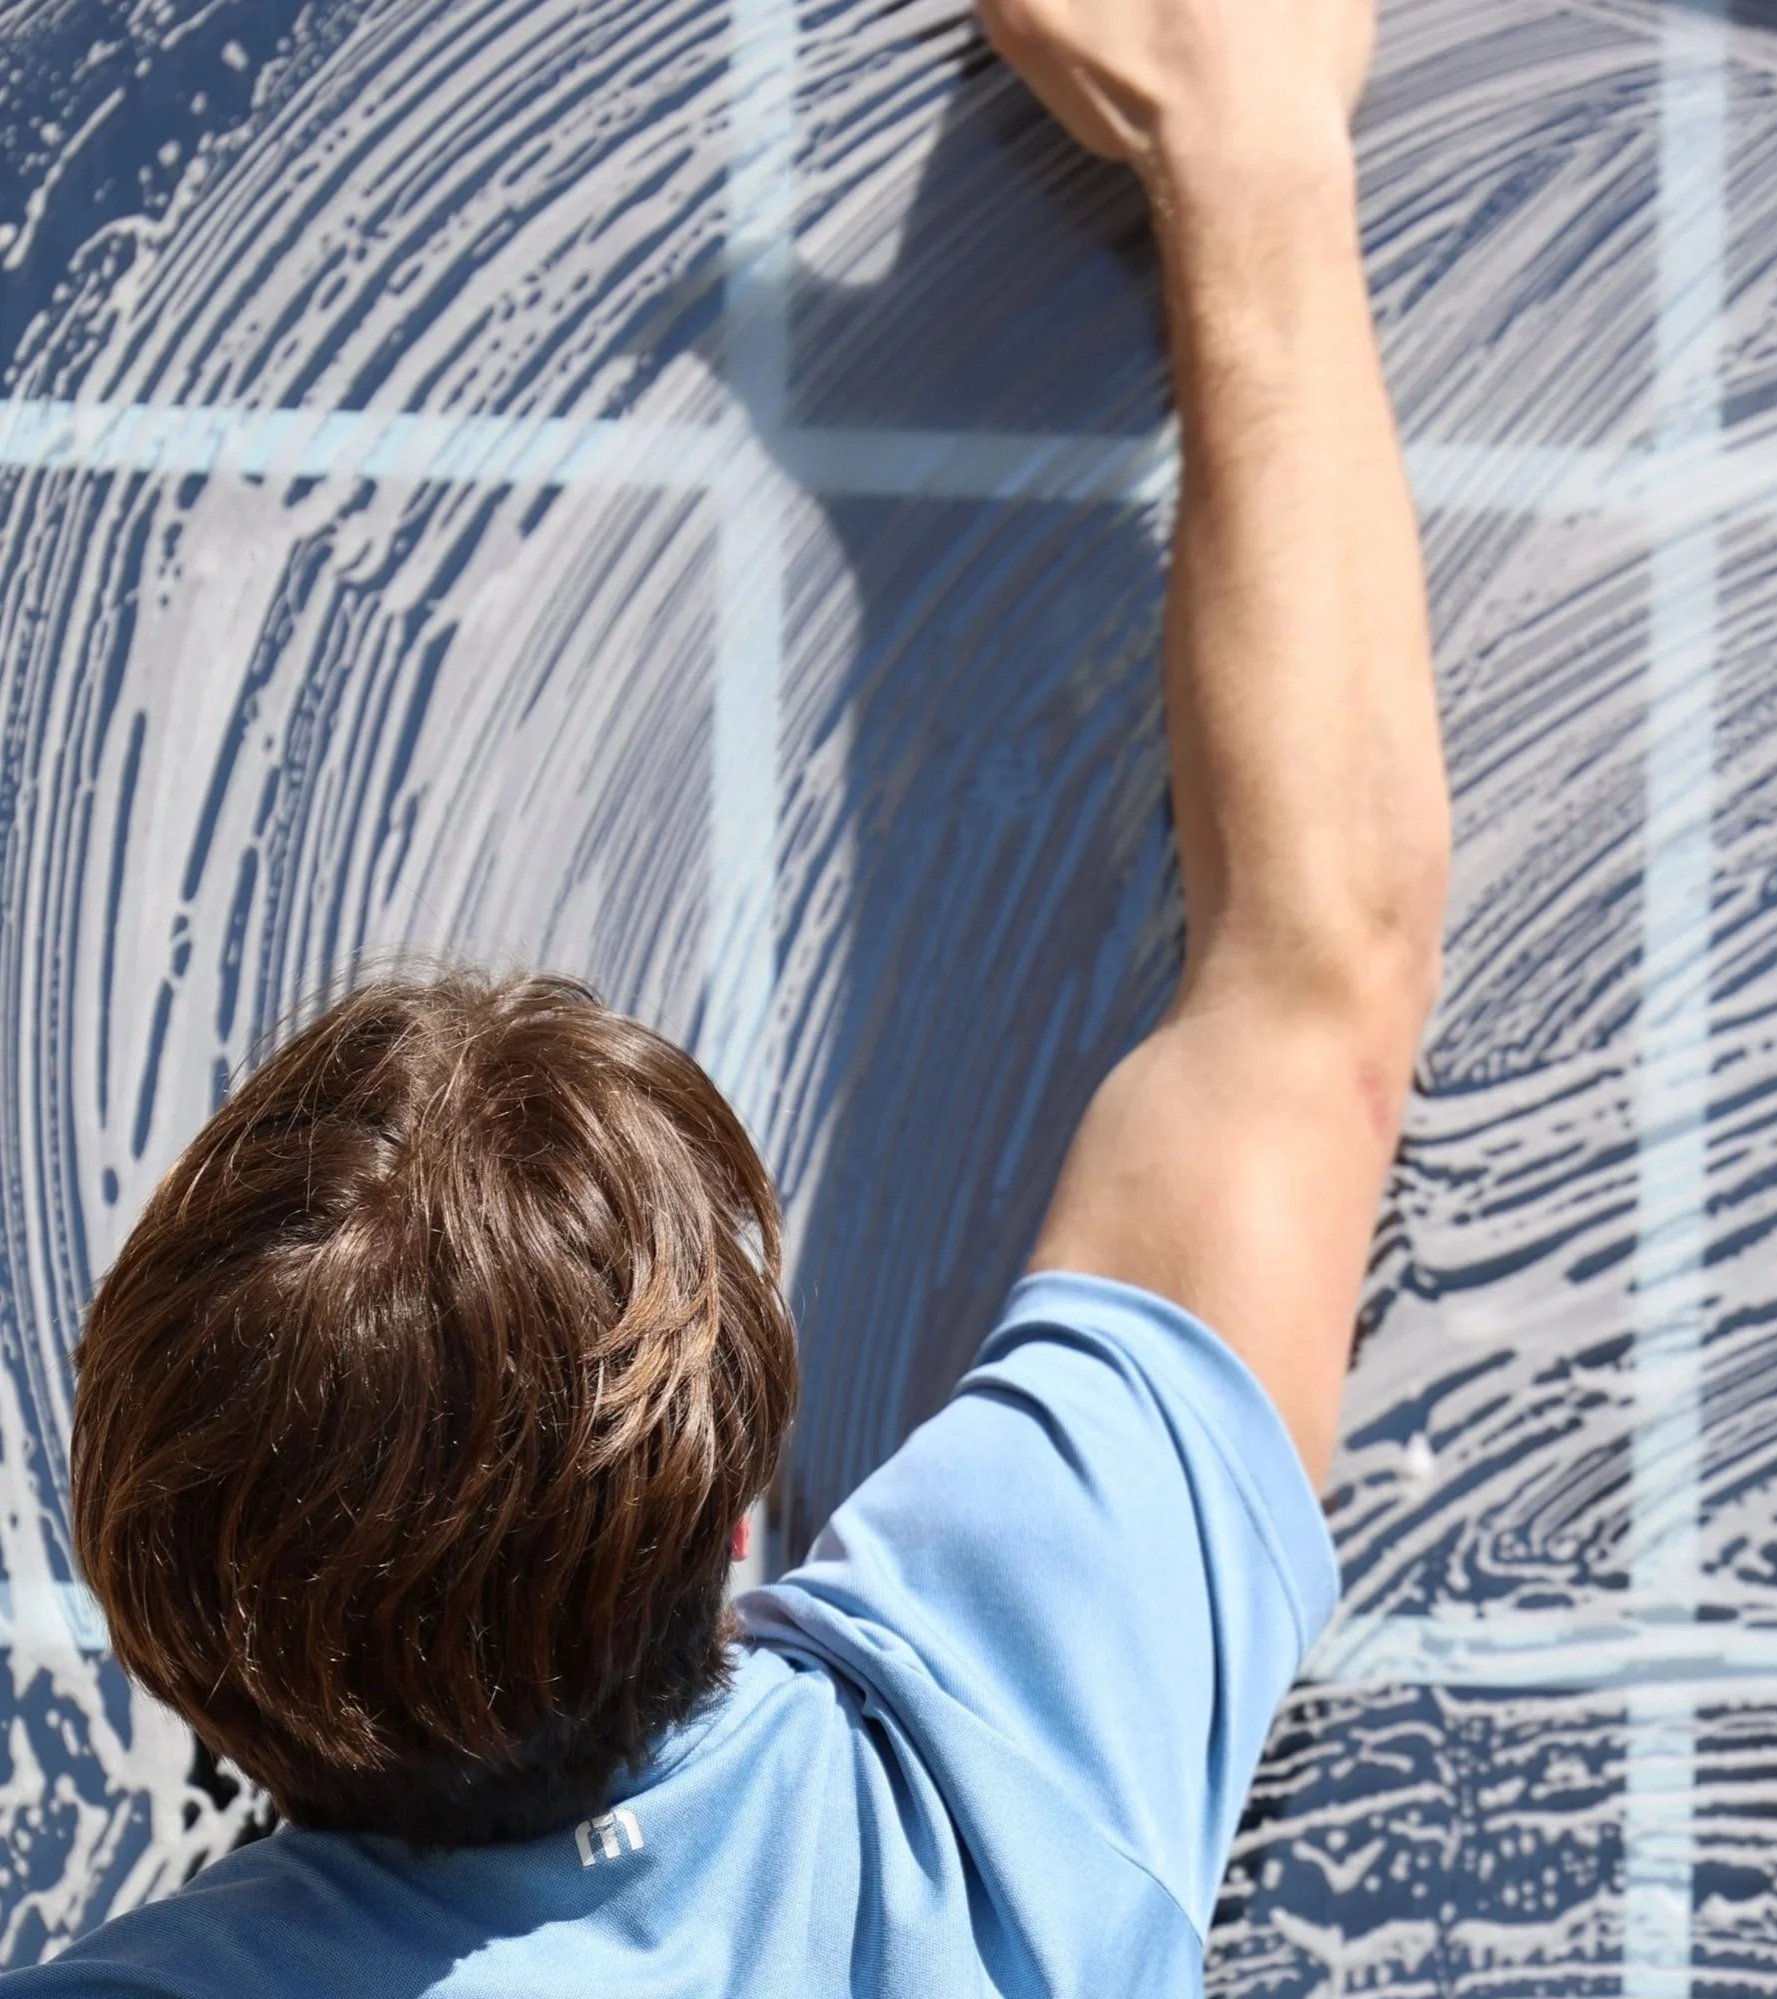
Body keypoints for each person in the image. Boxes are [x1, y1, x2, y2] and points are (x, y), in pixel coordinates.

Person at [7, 0, 1448, 1989]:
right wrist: (1259, 155)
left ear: (161, 1604)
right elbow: (1316, 980)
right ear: (727, 1526)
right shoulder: (993, 1828)